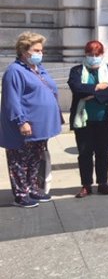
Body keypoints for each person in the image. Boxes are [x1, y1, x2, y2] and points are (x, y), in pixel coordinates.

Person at [0, 32, 62, 208]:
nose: (40, 53)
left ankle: (32, 188)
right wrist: (22, 121)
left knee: (35, 158)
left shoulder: (38, 68)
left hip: (40, 127)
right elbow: (12, 100)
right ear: (24, 50)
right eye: (36, 50)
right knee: (20, 161)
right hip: (23, 127)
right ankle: (21, 194)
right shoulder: (15, 71)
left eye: (41, 50)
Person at [68, 40, 108, 198]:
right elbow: (77, 89)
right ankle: (86, 185)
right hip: (83, 119)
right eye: (90, 54)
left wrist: (90, 94)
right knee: (85, 153)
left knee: (102, 153)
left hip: (104, 119)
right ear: (85, 54)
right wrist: (98, 88)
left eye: (96, 54)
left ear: (102, 55)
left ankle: (103, 183)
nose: (93, 57)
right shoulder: (77, 70)